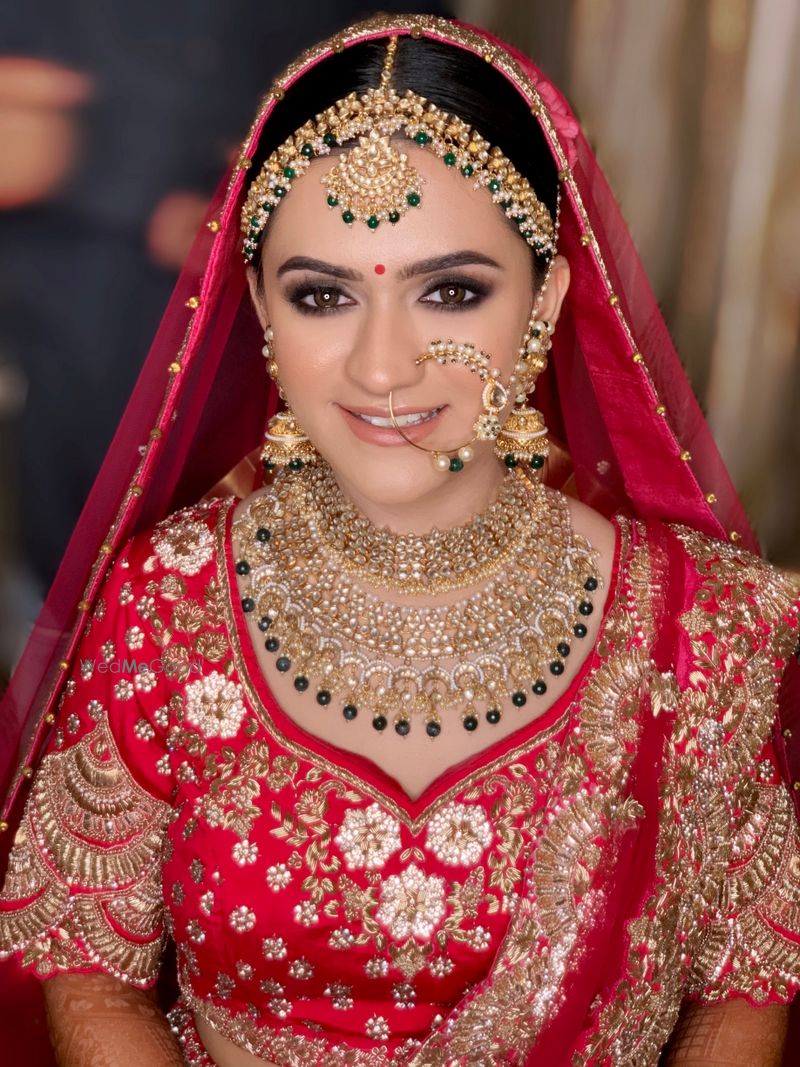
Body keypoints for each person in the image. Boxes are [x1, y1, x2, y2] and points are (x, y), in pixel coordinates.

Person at [0, 13, 798, 1066]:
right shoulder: (165, 604)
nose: (381, 367)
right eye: (323, 294)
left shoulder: (708, 629)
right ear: (259, 310)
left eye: (451, 290)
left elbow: (741, 982)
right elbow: (93, 971)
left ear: (546, 299)